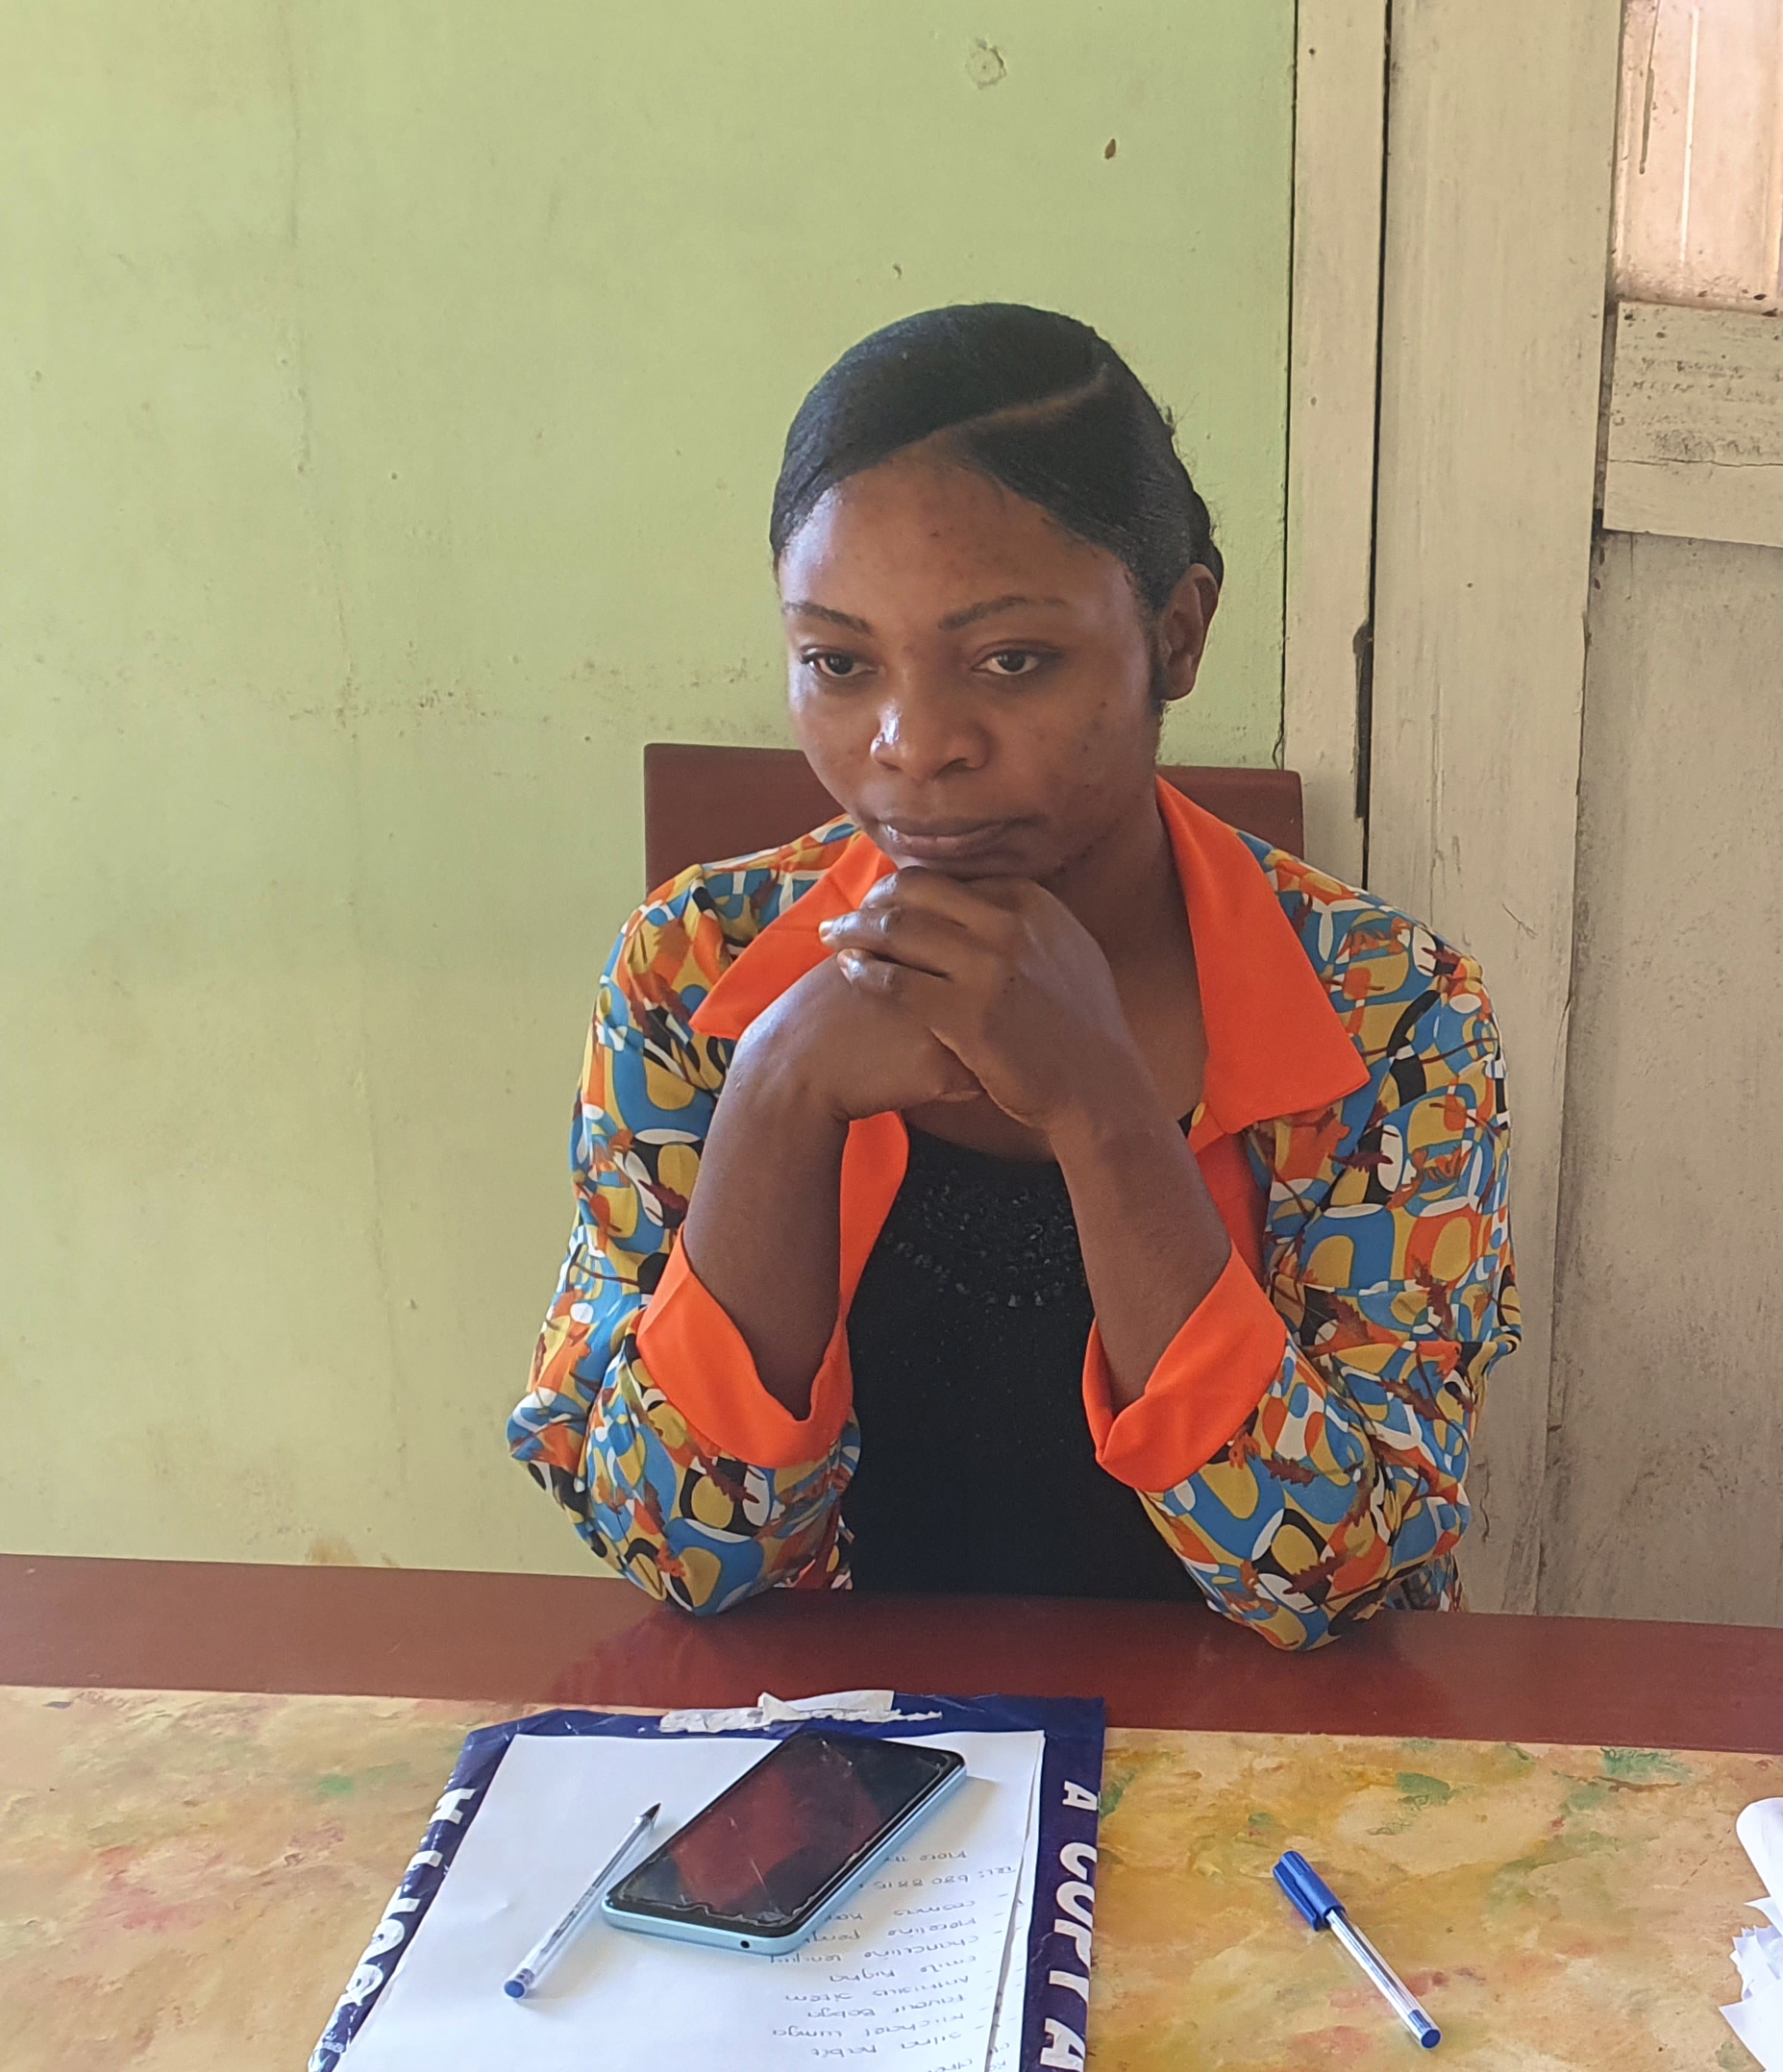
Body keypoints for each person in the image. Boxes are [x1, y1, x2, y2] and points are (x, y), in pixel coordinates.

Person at [510, 306, 1512, 1650]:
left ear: (1177, 633)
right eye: (838, 662)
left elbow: (1342, 1582)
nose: (913, 745)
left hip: (1258, 1776)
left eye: (1012, 660)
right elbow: (677, 1551)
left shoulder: (1393, 1013)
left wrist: (1102, 1112)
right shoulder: (694, 974)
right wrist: (779, 1089)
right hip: (847, 1786)